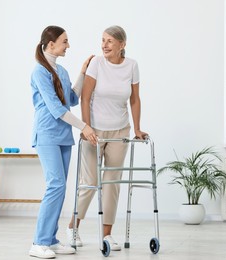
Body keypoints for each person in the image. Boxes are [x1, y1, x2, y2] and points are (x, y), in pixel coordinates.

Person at [67, 25, 148, 251]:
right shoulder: (96, 64)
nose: (104, 45)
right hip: (94, 132)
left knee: (112, 184)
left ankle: (107, 234)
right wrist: (86, 128)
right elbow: (85, 98)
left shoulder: (132, 65)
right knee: (91, 182)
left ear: (122, 44)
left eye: (110, 41)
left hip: (119, 131)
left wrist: (138, 129)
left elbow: (134, 99)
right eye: (103, 40)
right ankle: (73, 226)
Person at [29, 25, 97, 259]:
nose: (68, 45)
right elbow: (56, 109)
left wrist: (82, 72)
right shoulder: (39, 72)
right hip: (47, 134)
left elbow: (72, 98)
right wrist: (84, 127)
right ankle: (38, 243)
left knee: (59, 188)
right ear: (50, 44)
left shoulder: (63, 71)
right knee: (55, 185)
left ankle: (51, 240)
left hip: (63, 137)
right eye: (65, 41)